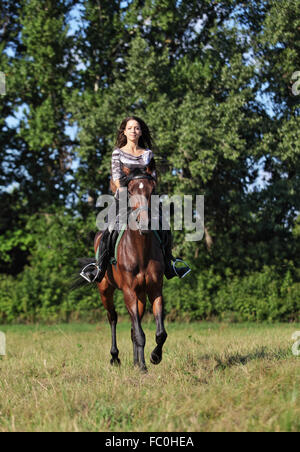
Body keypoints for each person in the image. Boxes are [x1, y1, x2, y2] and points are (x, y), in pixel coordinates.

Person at [80, 116, 191, 283]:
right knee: (109, 229)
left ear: (140, 132)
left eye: (137, 128)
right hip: (124, 198)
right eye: (130, 128)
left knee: (164, 226)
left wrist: (149, 196)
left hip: (147, 198)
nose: (134, 131)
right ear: (124, 132)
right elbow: (117, 178)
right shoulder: (117, 153)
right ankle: (99, 267)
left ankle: (170, 263)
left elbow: (153, 178)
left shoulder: (148, 154)